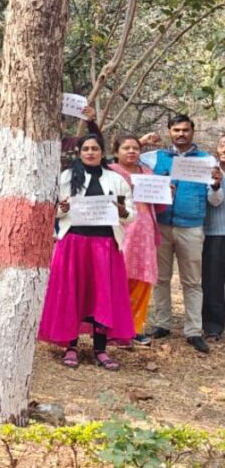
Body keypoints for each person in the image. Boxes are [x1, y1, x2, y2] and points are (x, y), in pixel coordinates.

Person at [39, 135, 136, 370]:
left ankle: (100, 349)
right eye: (85, 149)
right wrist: (62, 209)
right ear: (79, 153)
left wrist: (123, 211)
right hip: (73, 243)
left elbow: (131, 215)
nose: (90, 153)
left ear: (102, 152)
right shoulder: (66, 177)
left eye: (94, 149)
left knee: (103, 295)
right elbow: (54, 212)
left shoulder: (117, 179)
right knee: (72, 293)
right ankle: (70, 346)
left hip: (105, 245)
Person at [139, 115, 223, 352]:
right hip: (162, 226)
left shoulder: (207, 160)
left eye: (185, 130)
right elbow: (126, 155)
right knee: (161, 278)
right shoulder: (155, 157)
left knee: (192, 281)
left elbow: (215, 202)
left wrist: (216, 185)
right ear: (169, 132)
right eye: (176, 130)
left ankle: (194, 330)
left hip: (192, 228)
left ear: (193, 132)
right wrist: (142, 141)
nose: (181, 134)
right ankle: (162, 324)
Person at [108, 134, 165, 347]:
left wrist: (165, 194)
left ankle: (134, 329)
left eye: (135, 148)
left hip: (146, 232)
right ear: (116, 152)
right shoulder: (110, 173)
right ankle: (113, 330)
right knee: (118, 279)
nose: (131, 151)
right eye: (126, 148)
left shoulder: (148, 173)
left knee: (142, 280)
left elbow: (156, 207)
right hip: (122, 231)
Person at [203, 134, 225, 340]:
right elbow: (214, 202)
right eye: (222, 144)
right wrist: (217, 184)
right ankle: (213, 325)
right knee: (213, 281)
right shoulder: (211, 171)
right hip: (215, 233)